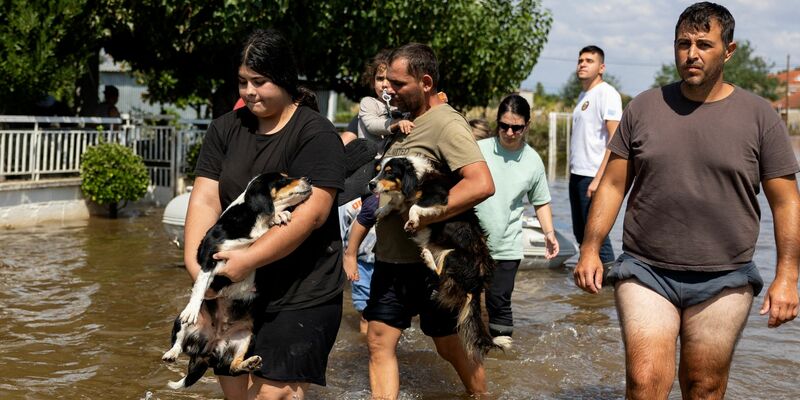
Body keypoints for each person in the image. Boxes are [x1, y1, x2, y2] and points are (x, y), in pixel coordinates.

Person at [573, 3, 800, 399]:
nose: (691, 54)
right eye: (683, 44)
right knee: (645, 383)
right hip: (646, 269)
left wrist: (787, 278)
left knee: (704, 386)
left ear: (728, 51)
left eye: (704, 44)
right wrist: (590, 248)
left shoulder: (760, 116)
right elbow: (612, 185)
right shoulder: (643, 107)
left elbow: (786, 203)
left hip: (726, 277)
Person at [185, 29, 345, 400]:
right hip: (233, 290)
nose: (249, 91)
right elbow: (205, 199)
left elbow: (313, 214)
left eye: (259, 82)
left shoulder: (316, 133)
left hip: (302, 291)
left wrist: (249, 260)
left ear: (285, 80)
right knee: (235, 394)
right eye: (243, 82)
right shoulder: (224, 129)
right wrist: (199, 272)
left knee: (274, 395)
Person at [364, 43, 495, 398]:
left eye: (398, 83)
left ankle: (481, 396)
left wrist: (424, 215)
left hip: (430, 264)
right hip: (391, 259)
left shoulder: (446, 123)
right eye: (387, 81)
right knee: (378, 340)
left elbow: (481, 184)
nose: (389, 89)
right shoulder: (406, 121)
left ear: (425, 82)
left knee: (449, 344)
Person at [474, 94, 559, 338]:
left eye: (517, 128)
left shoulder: (533, 161)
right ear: (497, 122)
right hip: (471, 242)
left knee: (499, 302)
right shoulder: (478, 150)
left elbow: (540, 201)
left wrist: (549, 233)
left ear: (527, 126)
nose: (510, 132)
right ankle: (470, 350)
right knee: (464, 301)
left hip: (506, 245)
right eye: (504, 126)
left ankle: (502, 355)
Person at [568, 45, 622, 264]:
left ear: (601, 67)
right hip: (577, 173)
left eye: (589, 61)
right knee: (581, 235)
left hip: (593, 176)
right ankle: (590, 283)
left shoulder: (607, 93)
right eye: (580, 60)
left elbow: (615, 138)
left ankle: (610, 282)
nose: (582, 64)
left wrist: (599, 179)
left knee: (596, 237)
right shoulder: (584, 95)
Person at [342, 194, 379, 334]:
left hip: (386, 260)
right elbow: (341, 230)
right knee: (365, 313)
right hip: (360, 263)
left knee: (390, 311)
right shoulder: (350, 202)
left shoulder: (389, 197)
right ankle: (366, 343)